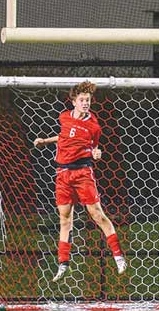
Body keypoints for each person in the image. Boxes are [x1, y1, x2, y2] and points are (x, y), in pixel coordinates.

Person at [33, 81, 127, 281]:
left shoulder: (93, 126)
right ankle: (63, 263)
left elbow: (94, 148)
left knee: (97, 215)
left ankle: (118, 256)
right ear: (74, 101)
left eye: (88, 100)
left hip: (82, 173)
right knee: (65, 219)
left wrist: (97, 153)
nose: (86, 103)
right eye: (82, 100)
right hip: (62, 175)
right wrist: (44, 141)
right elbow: (64, 137)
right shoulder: (64, 117)